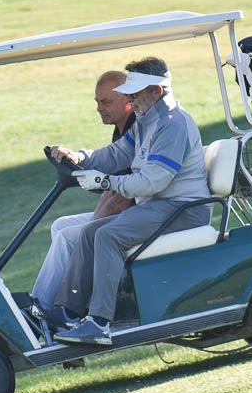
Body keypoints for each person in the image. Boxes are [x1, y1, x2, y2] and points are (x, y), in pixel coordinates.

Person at [48, 57, 212, 346]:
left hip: (183, 209)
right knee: (90, 233)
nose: (130, 100)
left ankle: (98, 323)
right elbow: (115, 155)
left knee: (109, 236)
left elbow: (153, 181)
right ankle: (71, 313)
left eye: (134, 94)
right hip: (159, 206)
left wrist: (106, 181)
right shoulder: (146, 122)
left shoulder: (173, 125)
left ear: (156, 92)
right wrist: (80, 157)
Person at [30, 71, 136, 313]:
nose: (99, 108)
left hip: (140, 212)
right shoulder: (122, 129)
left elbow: (123, 197)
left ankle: (45, 309)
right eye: (97, 102)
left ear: (128, 101)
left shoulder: (136, 128)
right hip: (130, 209)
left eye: (106, 102)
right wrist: (75, 158)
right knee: (59, 226)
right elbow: (108, 165)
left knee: (68, 238)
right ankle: (59, 299)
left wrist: (93, 225)